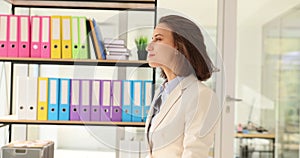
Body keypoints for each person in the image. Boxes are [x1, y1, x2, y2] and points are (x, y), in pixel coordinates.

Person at [144, 15, 220, 158]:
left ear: (179, 46)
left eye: (158, 39)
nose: (149, 46)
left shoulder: (201, 95)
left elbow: (195, 153)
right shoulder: (162, 93)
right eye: (152, 39)